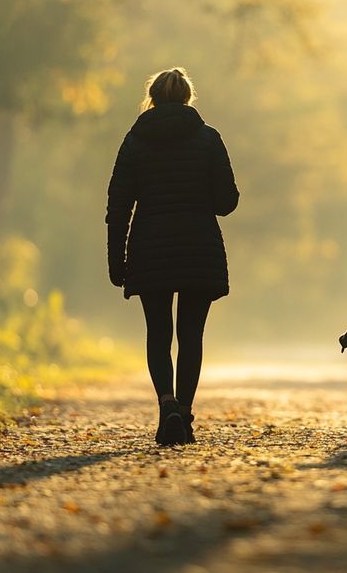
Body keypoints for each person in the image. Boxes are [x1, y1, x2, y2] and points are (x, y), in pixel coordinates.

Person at [106, 67, 239, 446]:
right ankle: (184, 410)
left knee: (158, 333)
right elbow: (226, 202)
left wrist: (117, 260)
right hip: (199, 249)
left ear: (153, 98)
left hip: (151, 248)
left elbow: (118, 205)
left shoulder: (135, 141)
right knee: (191, 334)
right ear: (186, 98)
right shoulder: (209, 139)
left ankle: (166, 407)